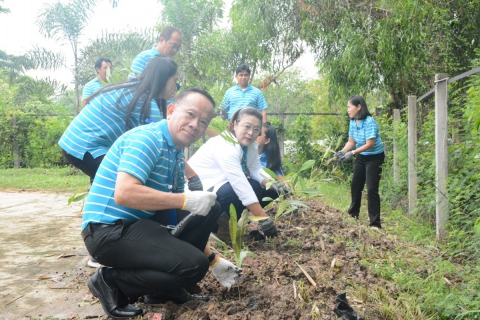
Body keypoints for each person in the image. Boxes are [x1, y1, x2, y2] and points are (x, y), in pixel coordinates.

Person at [82, 89, 241, 319]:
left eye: (203, 121)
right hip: (107, 232)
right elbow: (124, 193)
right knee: (193, 267)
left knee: (210, 210)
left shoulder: (175, 155)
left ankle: (160, 292)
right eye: (190, 114)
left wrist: (213, 259)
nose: (195, 124)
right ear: (171, 110)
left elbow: (171, 217)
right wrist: (185, 200)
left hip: (138, 228)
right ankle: (111, 281)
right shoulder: (147, 139)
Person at [59, 56, 178, 185]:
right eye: (175, 81)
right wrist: (192, 176)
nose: (176, 88)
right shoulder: (145, 102)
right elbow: (166, 143)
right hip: (86, 145)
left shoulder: (133, 89)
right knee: (128, 183)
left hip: (75, 141)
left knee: (118, 183)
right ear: (163, 79)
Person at [188, 107, 278, 240]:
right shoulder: (224, 145)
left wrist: (276, 186)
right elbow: (240, 185)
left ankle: (233, 225)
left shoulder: (250, 146)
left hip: (222, 189)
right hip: (201, 196)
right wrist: (262, 217)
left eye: (256, 129)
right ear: (235, 124)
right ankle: (216, 229)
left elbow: (256, 170)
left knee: (268, 190)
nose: (250, 133)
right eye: (247, 126)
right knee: (240, 189)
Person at [335, 95, 385, 228]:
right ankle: (353, 215)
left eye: (349, 107)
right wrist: (343, 151)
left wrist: (352, 153)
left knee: (371, 189)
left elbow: (370, 144)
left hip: (374, 157)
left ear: (358, 107)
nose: (347, 110)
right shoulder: (353, 121)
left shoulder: (369, 122)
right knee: (355, 185)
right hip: (361, 156)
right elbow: (351, 142)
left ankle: (375, 224)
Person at [206, 64, 268, 137]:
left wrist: (264, 128)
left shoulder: (257, 92)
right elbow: (223, 111)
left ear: (249, 76)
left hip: (251, 128)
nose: (243, 77)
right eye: (241, 75)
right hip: (232, 127)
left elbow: (262, 111)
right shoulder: (229, 92)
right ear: (236, 76)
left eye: (246, 75)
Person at [256, 122, 288, 207]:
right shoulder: (243, 152)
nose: (253, 134)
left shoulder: (270, 161)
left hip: (258, 194)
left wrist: (292, 202)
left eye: (258, 133)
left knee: (276, 189)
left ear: (267, 140)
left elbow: (284, 183)